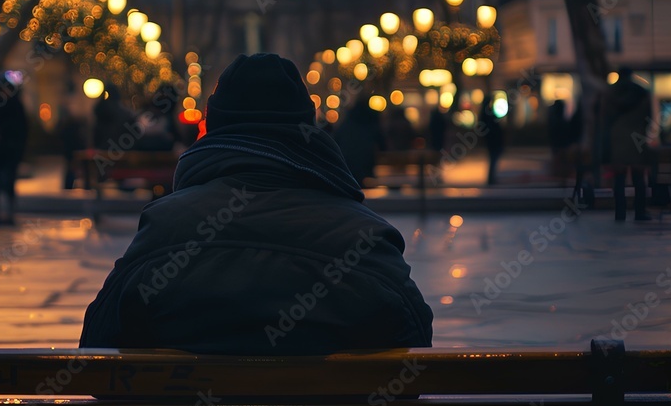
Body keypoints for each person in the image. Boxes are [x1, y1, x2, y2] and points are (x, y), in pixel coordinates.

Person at [81, 53, 433, 355]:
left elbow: (97, 343)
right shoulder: (365, 236)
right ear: (306, 124)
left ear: (214, 124)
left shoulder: (164, 227)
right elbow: (415, 340)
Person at [605, 68, 652, 221]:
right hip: (637, 137)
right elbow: (649, 117)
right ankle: (640, 212)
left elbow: (605, 118)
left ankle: (620, 213)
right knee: (639, 178)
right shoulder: (642, 92)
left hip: (617, 138)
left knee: (619, 179)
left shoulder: (611, 93)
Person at [0, 77, 28, 225]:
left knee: (7, 182)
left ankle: (6, 213)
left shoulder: (12, 105)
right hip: (0, 151)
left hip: (8, 150)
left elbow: (21, 129)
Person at [332, 98, 386, 186]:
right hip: (366, 162)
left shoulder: (346, 124)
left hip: (348, 163)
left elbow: (336, 141)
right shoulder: (370, 123)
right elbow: (382, 143)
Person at [479, 96, 504, 185]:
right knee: (493, 158)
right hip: (493, 139)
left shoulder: (486, 114)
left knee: (493, 158)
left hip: (492, 139)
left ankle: (491, 178)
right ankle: (491, 178)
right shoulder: (488, 114)